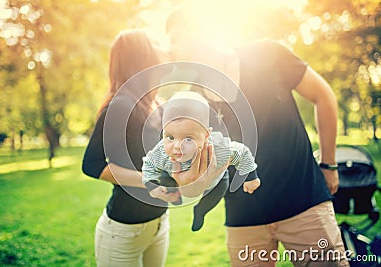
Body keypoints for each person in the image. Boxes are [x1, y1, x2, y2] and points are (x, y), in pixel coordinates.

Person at [165, 6, 349, 267]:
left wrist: (329, 164)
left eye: (175, 40)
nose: (170, 51)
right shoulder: (194, 98)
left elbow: (324, 96)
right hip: (244, 221)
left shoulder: (267, 53)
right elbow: (200, 168)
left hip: (304, 206)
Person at [82, 29, 180, 267]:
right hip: (124, 232)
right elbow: (91, 165)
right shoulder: (122, 106)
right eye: (153, 43)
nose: (161, 47)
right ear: (141, 56)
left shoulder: (154, 103)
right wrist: (148, 179)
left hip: (158, 223)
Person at [142, 91, 261, 231]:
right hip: (172, 173)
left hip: (216, 179)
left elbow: (241, 152)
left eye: (188, 138)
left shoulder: (218, 148)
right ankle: (174, 196)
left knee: (218, 191)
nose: (177, 146)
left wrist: (251, 176)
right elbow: (149, 163)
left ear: (206, 135)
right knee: (165, 180)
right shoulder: (162, 151)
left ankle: (201, 211)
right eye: (170, 136)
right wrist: (152, 185)